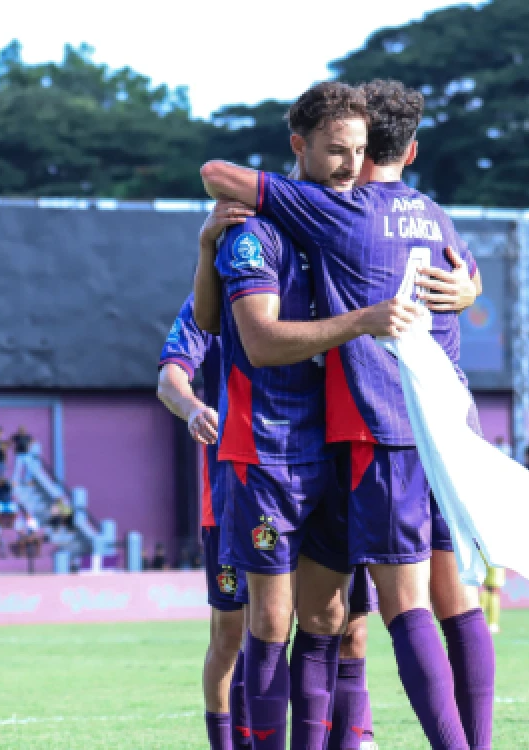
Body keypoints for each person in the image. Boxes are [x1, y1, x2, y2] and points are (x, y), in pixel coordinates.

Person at [200, 80, 492, 750]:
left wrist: (468, 286)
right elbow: (238, 333)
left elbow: (218, 173)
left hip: (356, 438)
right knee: (288, 620)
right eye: (337, 151)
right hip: (298, 446)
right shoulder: (274, 229)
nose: (350, 165)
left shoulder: (350, 212)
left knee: (351, 617)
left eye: (358, 151)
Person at [158, 291, 250, 750]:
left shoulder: (303, 285)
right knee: (231, 634)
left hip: (298, 492)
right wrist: (193, 407)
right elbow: (169, 379)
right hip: (228, 504)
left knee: (295, 628)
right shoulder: (206, 306)